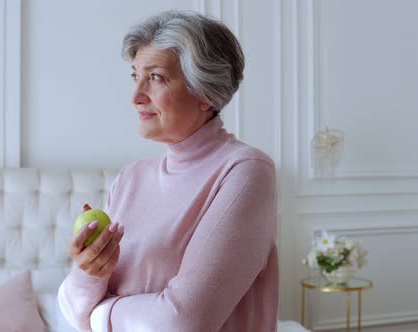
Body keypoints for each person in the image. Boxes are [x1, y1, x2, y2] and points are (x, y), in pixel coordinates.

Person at [58, 10, 278, 332]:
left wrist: (98, 314)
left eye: (156, 77)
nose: (135, 97)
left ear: (205, 93)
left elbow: (183, 322)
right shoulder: (129, 179)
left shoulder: (245, 171)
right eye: (135, 76)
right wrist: (90, 271)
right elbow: (69, 309)